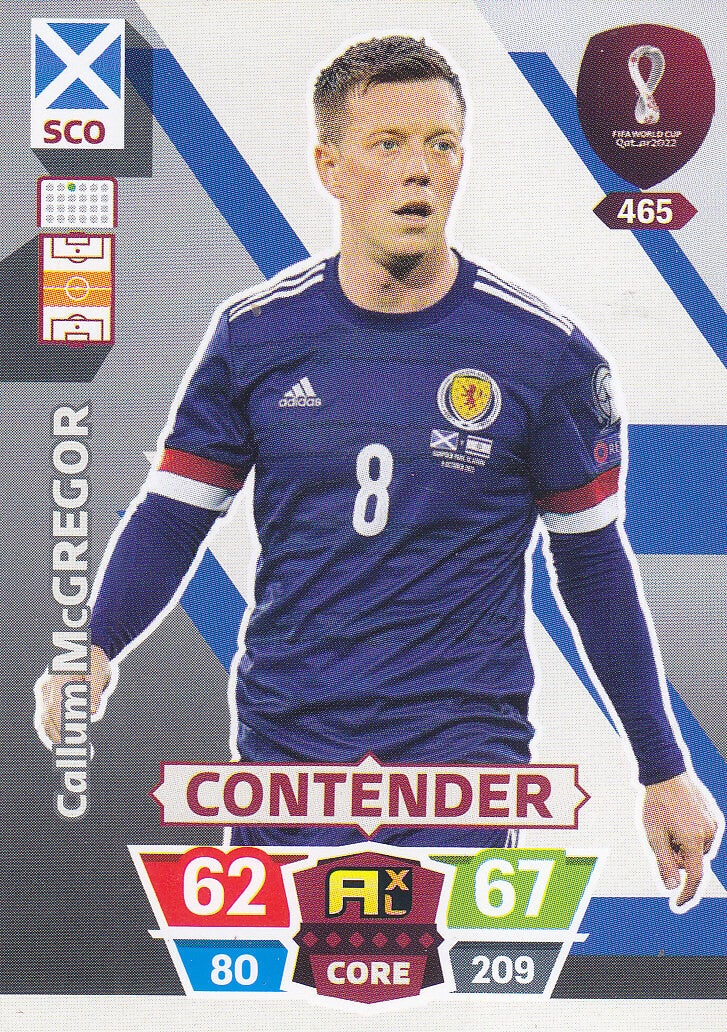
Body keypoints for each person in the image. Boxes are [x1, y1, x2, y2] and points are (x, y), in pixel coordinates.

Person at [38, 36, 718, 905]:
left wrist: (662, 768)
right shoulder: (255, 336)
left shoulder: (541, 353)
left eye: (440, 144)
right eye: (387, 143)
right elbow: (174, 515)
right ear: (329, 166)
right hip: (288, 759)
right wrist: (93, 644)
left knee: (429, 972)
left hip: (460, 769)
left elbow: (590, 561)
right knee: (289, 974)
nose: (418, 170)